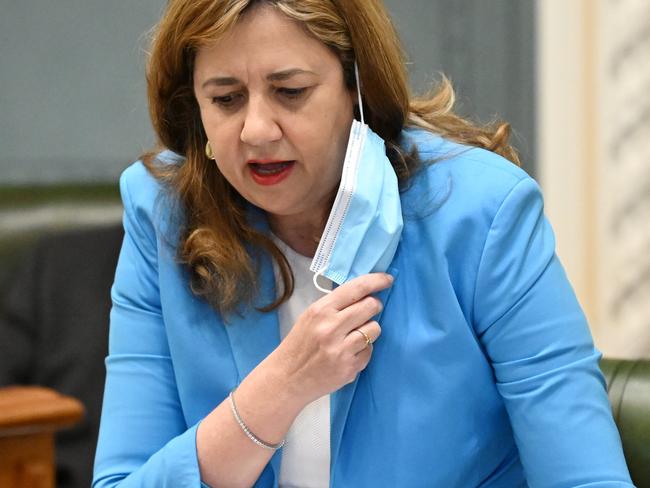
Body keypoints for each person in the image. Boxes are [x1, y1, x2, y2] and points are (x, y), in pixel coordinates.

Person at [93, 1, 633, 487]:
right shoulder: (164, 213)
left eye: (290, 92)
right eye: (226, 99)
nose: (256, 130)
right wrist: (279, 388)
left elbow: (585, 478)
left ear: (357, 86)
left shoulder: (483, 214)